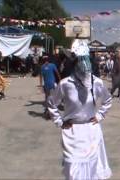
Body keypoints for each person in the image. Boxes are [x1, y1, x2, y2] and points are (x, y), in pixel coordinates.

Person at [47, 39, 112, 179]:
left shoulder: (97, 82)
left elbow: (107, 100)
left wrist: (100, 115)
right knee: (73, 171)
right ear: (74, 63)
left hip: (92, 131)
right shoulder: (65, 84)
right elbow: (52, 103)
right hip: (72, 133)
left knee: (93, 170)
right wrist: (59, 121)